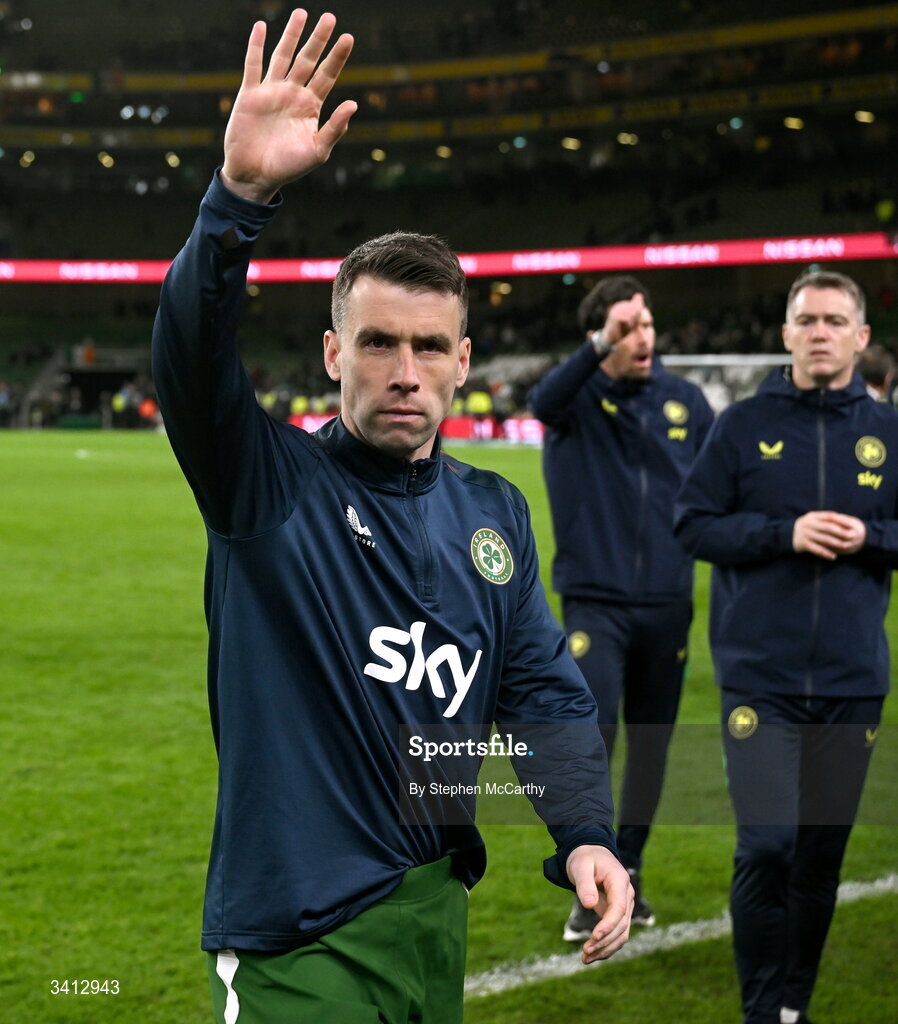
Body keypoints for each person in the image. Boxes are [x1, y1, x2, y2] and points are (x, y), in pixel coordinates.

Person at [151, 10, 632, 1024]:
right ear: (333, 356)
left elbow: (542, 692)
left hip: (430, 916)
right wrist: (237, 199)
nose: (402, 372)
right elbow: (191, 364)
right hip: (300, 938)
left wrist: (584, 830)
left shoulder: (490, 510)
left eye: (426, 346)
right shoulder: (267, 485)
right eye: (375, 343)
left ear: (464, 361)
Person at [674, 269, 898, 1024]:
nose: (821, 332)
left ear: (861, 338)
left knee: (819, 859)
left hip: (851, 678)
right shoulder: (739, 426)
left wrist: (872, 537)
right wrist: (782, 533)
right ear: (786, 334)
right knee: (767, 846)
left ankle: (793, 1000)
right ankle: (760, 1006)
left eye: (836, 320)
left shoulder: (889, 435)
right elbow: (693, 523)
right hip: (759, 679)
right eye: (807, 319)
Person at [529, 276, 714, 941]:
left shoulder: (685, 401)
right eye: (625, 328)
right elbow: (540, 399)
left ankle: (628, 868)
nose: (642, 338)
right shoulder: (576, 399)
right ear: (599, 338)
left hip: (668, 604)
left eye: (647, 325)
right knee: (595, 728)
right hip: (595, 602)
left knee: (652, 743)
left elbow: (722, 485)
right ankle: (589, 873)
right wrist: (595, 349)